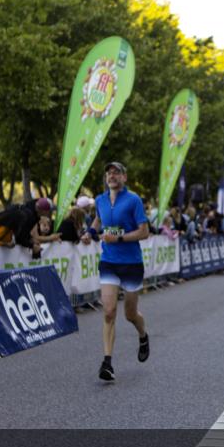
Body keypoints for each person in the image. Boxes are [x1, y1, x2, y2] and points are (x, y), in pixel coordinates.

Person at [91, 161, 151, 383]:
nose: (112, 175)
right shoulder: (100, 200)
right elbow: (98, 219)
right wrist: (90, 231)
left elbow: (144, 232)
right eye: (109, 172)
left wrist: (118, 238)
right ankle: (107, 362)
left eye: (116, 172)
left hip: (131, 263)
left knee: (130, 314)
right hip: (109, 261)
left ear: (125, 178)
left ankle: (143, 336)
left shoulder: (133, 200)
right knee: (108, 311)